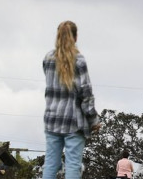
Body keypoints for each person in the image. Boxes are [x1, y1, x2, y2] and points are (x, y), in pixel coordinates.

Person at [43, 21, 101, 179]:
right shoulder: (79, 60)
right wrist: (93, 120)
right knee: (73, 165)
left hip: (51, 119)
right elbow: (86, 94)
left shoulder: (48, 58)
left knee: (50, 164)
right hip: (73, 122)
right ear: (75, 37)